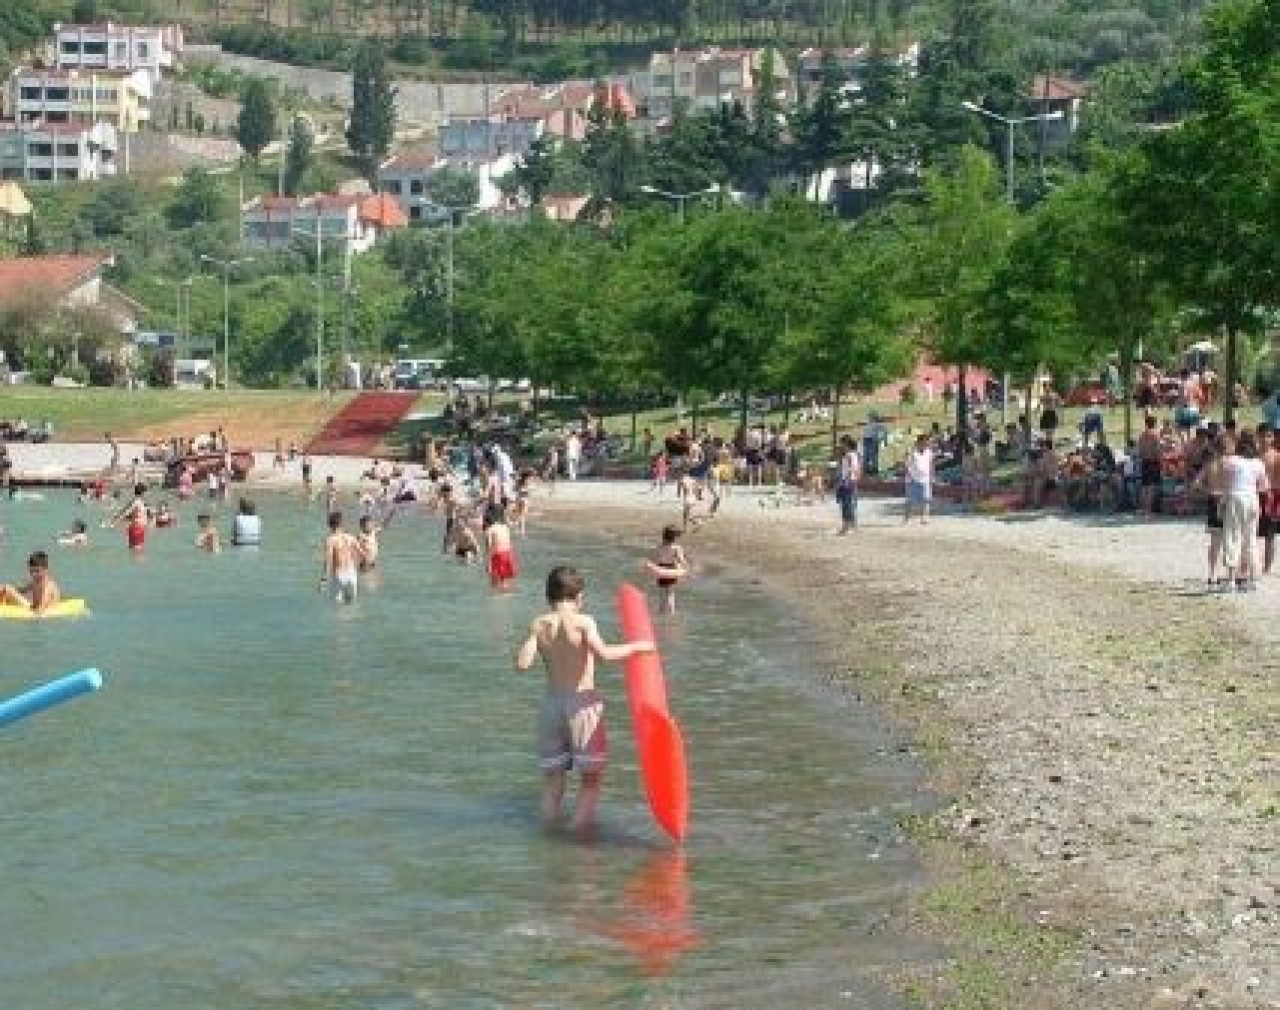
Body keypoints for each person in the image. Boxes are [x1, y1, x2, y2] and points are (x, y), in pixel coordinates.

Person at [513, 566, 655, 832]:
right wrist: (639, 647)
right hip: (581, 706)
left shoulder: (538, 624)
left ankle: (548, 836)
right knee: (590, 781)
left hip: (551, 708)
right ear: (579, 597)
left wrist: (534, 637)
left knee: (553, 781)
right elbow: (604, 655)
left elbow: (522, 664)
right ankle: (579, 841)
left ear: (548, 598)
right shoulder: (584, 621)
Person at [1220, 431, 1267, 591]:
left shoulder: (1231, 461)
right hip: (1252, 499)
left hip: (1236, 497)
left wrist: (1222, 503)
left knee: (1233, 537)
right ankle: (1253, 579)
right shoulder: (1258, 462)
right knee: (1251, 540)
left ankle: (1232, 580)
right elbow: (1264, 486)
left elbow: (1226, 485)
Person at [646, 525, 690, 614]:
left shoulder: (659, 547)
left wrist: (650, 567)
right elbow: (682, 560)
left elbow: (654, 560)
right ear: (674, 537)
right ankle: (671, 613)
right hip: (671, 570)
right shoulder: (677, 548)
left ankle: (661, 612)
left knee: (662, 595)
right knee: (670, 593)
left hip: (661, 570)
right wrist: (687, 568)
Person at [320, 511, 362, 603]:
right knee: (352, 604)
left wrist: (323, 578)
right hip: (352, 574)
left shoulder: (331, 540)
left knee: (338, 607)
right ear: (341, 524)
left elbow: (328, 560)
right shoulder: (350, 537)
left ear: (329, 525)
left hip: (339, 574)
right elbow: (362, 553)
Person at [483, 504, 517, 591]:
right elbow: (508, 543)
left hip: (498, 556)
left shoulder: (490, 530)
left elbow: (489, 548)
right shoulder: (505, 527)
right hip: (508, 555)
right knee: (504, 583)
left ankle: (496, 602)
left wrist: (487, 564)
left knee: (494, 585)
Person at [903, 434, 934, 524]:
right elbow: (906, 465)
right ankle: (907, 518)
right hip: (912, 479)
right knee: (910, 500)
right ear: (920, 442)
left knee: (926, 499)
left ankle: (924, 517)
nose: (927, 444)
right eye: (925, 442)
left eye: (927, 443)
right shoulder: (912, 452)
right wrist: (910, 476)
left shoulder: (929, 452)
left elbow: (931, 464)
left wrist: (931, 476)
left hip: (925, 478)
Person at [835, 435, 861, 534]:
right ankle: (851, 526)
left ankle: (847, 527)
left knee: (847, 504)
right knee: (848, 504)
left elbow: (853, 469)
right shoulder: (849, 455)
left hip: (848, 482)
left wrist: (846, 480)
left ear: (846, 444)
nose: (840, 445)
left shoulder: (850, 455)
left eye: (842, 443)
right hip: (847, 481)